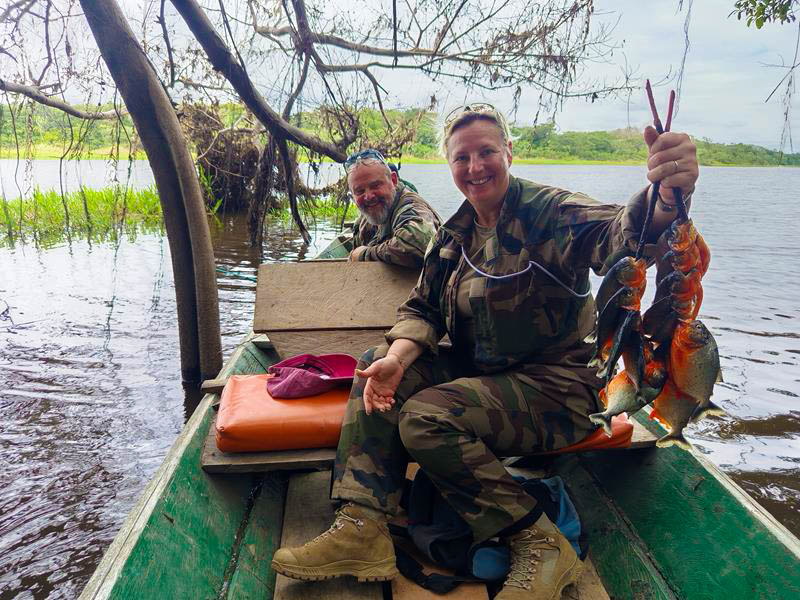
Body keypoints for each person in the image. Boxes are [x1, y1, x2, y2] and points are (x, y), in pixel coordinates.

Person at [272, 105, 699, 599]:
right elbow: (424, 309)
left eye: (487, 152)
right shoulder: (454, 236)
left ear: (509, 152)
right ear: (449, 166)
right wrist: (398, 357)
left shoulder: (552, 210)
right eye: (462, 157)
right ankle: (363, 526)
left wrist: (666, 196)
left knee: (426, 418)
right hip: (489, 378)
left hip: (560, 389)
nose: (476, 167)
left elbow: (619, 239)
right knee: (375, 365)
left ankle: (538, 540)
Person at [345, 148, 441, 267]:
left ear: (394, 180)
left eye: (375, 185)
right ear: (352, 195)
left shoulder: (411, 207)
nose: (368, 196)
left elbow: (418, 244)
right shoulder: (367, 215)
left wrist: (364, 254)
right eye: (360, 191)